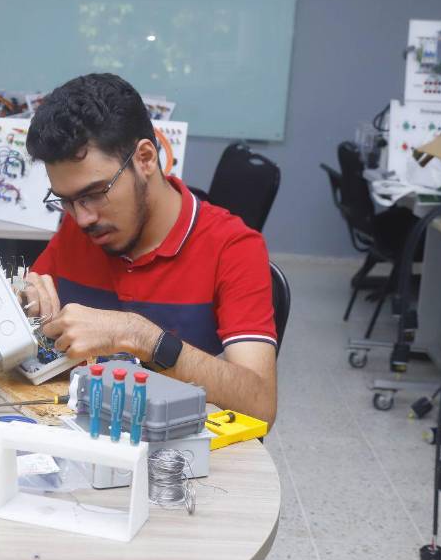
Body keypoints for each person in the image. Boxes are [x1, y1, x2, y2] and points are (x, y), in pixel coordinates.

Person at [23, 73, 277, 424]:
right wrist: (18, 305)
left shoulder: (233, 246)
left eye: (95, 193)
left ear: (145, 158)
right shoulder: (79, 226)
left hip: (179, 457)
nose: (82, 218)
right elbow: (31, 308)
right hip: (81, 433)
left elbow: (259, 403)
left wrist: (140, 336)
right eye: (66, 201)